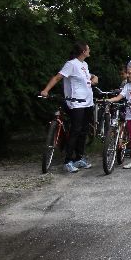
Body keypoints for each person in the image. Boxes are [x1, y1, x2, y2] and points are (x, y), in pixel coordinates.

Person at [40, 41, 99, 173]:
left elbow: (87, 77)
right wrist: (46, 90)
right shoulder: (71, 64)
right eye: (88, 49)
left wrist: (95, 77)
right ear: (83, 51)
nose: (89, 51)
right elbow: (57, 77)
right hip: (76, 102)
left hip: (88, 101)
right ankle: (68, 160)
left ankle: (79, 157)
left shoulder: (84, 64)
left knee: (84, 130)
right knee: (76, 130)